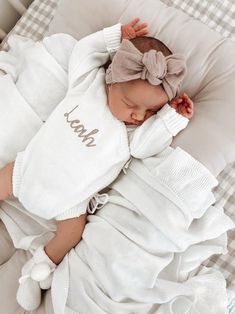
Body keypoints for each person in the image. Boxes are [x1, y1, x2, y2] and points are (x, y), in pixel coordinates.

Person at [0, 18, 193, 310]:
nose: (139, 116)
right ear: (111, 80)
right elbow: (83, 52)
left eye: (150, 110)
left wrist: (171, 119)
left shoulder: (132, 135)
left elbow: (147, 146)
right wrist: (115, 37)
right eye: (131, 104)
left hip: (69, 204)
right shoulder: (86, 85)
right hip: (25, 172)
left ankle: (40, 267)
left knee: (72, 234)